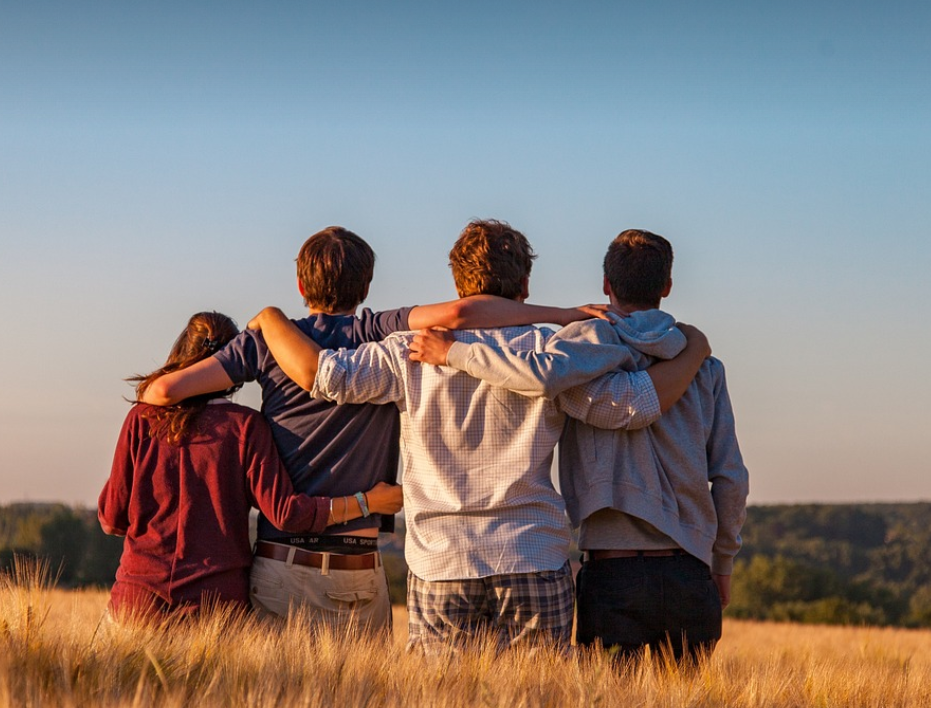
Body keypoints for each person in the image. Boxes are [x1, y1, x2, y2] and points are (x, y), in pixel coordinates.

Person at [246, 220, 710, 653]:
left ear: (457, 285)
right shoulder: (552, 352)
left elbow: (325, 376)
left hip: (441, 561)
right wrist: (692, 353)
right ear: (525, 287)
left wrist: (270, 319)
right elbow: (629, 407)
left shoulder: (406, 351)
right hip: (532, 554)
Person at [138, 226, 616, 633]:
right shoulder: (378, 331)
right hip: (360, 564)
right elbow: (459, 314)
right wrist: (563, 315)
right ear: (366, 285)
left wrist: (265, 322)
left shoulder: (267, 343)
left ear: (300, 284)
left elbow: (162, 394)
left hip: (283, 560)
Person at [410, 229, 747, 664]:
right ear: (666, 287)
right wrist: (722, 562)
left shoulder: (577, 352)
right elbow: (731, 477)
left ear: (606, 285)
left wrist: (455, 352)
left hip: (612, 572)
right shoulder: (704, 366)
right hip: (691, 571)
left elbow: (540, 376)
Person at [97, 311, 403, 624]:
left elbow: (112, 519)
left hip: (137, 602)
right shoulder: (245, 427)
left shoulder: (142, 419)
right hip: (216, 609)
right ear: (234, 364)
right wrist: (368, 502)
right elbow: (287, 514)